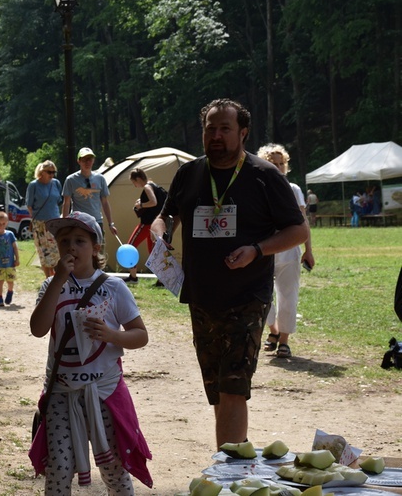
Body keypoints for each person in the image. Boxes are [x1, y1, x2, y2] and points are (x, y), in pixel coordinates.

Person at [150, 98, 309, 448]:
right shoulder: (189, 174)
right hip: (201, 296)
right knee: (218, 390)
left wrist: (257, 250)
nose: (216, 135)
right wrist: (162, 231)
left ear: (243, 132)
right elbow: (167, 213)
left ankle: (228, 471)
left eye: (225, 128)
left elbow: (298, 231)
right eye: (210, 128)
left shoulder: (264, 176)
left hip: (247, 296)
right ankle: (237, 456)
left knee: (233, 387)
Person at [28, 211, 153, 493]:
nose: (71, 247)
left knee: (114, 468)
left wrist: (112, 335)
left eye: (80, 241)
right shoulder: (50, 286)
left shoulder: (113, 287)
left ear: (96, 247)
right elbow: (38, 328)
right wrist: (58, 280)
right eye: (64, 241)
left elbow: (140, 334)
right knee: (58, 469)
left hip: (104, 391)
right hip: (62, 391)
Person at [257, 144, 315, 359]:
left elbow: (302, 221)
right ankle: (273, 331)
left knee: (288, 295)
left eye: (282, 164)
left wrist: (308, 249)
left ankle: (284, 340)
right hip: (264, 248)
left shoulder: (294, 189)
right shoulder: (258, 188)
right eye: (274, 164)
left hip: (290, 249)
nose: (279, 167)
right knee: (263, 295)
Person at [62, 147, 118, 252]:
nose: (87, 162)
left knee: (99, 252)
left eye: (90, 159)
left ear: (93, 160)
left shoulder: (100, 178)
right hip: (79, 222)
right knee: (81, 253)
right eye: (84, 159)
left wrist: (111, 224)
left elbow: (105, 202)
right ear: (79, 161)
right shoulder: (71, 180)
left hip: (97, 222)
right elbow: (67, 203)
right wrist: (65, 224)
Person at [124, 168, 166, 284]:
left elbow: (154, 202)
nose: (134, 185)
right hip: (154, 225)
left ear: (138, 179)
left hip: (146, 225)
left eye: (134, 182)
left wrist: (140, 205)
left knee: (129, 247)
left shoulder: (147, 187)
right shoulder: (154, 185)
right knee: (154, 252)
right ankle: (162, 279)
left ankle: (133, 277)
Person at [25, 160, 62, 277]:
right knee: (43, 252)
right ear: (42, 172)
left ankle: (57, 277)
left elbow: (59, 201)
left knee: (56, 251)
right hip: (40, 223)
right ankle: (48, 278)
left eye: (53, 172)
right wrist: (36, 219)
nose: (52, 174)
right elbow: (29, 205)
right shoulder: (34, 185)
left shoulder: (56, 183)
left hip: (55, 222)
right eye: (49, 172)